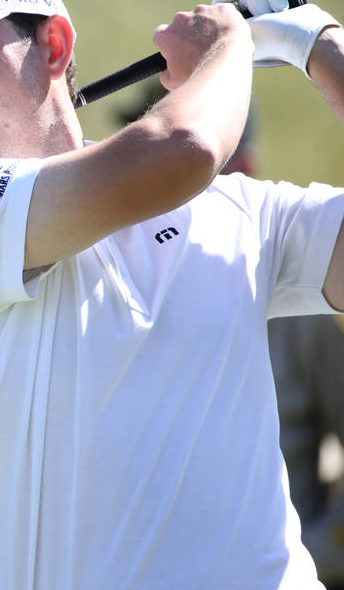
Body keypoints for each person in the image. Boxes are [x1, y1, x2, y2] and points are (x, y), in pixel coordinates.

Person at [0, 0, 344, 588]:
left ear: (53, 46)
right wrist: (232, 49)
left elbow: (179, 162)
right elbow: (182, 148)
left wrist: (318, 44)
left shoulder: (240, 211)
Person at [120, 83, 344, 587]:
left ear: (241, 167)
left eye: (174, 154)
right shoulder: (116, 287)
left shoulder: (308, 313)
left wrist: (319, 562)